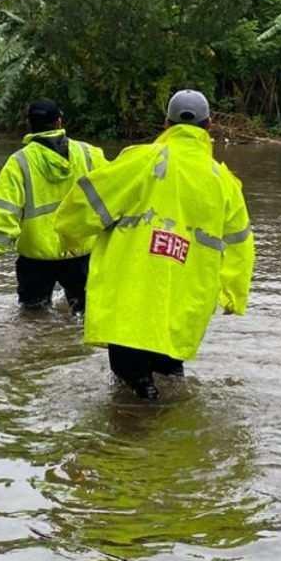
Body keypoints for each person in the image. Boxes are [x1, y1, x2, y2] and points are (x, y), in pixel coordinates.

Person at [54, 89, 254, 401]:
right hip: (183, 301)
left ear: (166, 123)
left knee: (129, 390)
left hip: (129, 299)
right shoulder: (224, 182)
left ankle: (134, 431)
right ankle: (166, 437)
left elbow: (84, 203)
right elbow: (240, 245)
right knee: (171, 378)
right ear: (209, 125)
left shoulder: (139, 162)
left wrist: (69, 238)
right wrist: (233, 295)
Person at [0, 100, 107, 314]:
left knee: (33, 316)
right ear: (59, 121)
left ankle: (37, 347)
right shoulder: (88, 153)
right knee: (86, 315)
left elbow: (5, 211)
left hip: (36, 257)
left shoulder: (18, 162)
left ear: (30, 124)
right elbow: (114, 190)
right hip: (80, 251)